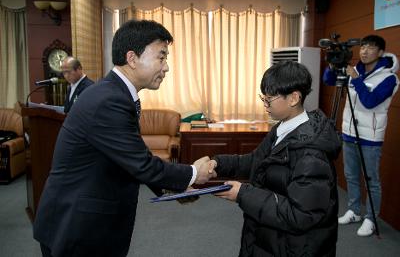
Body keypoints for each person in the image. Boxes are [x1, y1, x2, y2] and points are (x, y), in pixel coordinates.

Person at [33, 20, 217, 257]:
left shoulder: (113, 93)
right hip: (76, 227)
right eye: (161, 57)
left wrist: (174, 187)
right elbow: (141, 164)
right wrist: (192, 174)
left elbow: (133, 154)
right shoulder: (110, 100)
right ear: (132, 58)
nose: (167, 67)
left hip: (85, 222)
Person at [212, 61, 341, 257]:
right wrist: (218, 164)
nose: (264, 105)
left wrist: (243, 194)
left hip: (293, 247)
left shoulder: (311, 154)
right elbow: (256, 161)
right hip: (269, 237)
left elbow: (300, 216)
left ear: (294, 98)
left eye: (269, 99)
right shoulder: (282, 129)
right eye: (263, 98)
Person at [323, 35, 399, 236]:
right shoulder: (354, 70)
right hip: (349, 132)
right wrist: (333, 65)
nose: (364, 51)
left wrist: (356, 80)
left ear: (381, 52)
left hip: (371, 137)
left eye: (371, 47)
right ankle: (355, 211)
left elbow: (371, 101)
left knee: (371, 179)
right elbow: (328, 80)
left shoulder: (389, 78)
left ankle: (371, 218)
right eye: (363, 46)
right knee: (351, 175)